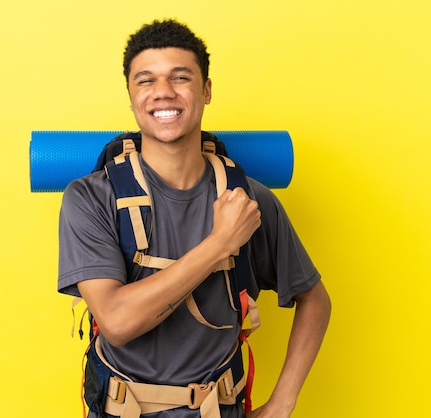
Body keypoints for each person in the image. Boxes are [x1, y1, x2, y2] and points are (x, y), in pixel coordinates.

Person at [58, 19, 331, 418]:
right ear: (131, 97)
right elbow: (116, 322)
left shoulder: (248, 200)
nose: (163, 92)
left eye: (180, 77)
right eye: (145, 81)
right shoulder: (91, 197)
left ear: (205, 91)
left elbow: (315, 300)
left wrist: (282, 403)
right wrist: (220, 243)